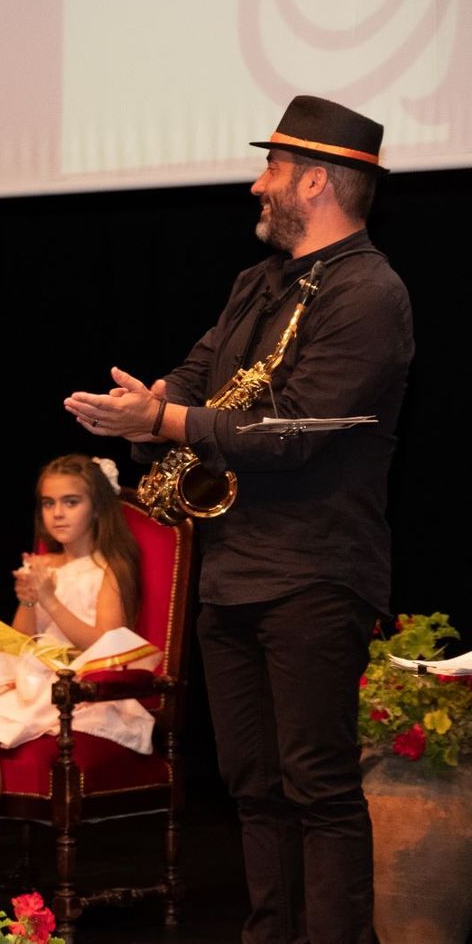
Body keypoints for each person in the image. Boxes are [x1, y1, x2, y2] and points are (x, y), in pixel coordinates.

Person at [64, 95, 414, 943]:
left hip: (316, 573)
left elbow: (296, 429)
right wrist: (148, 404)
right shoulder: (257, 283)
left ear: (317, 181)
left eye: (274, 168)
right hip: (231, 570)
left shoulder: (371, 293)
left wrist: (166, 420)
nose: (259, 184)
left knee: (318, 786)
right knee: (253, 784)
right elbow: (196, 376)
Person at [0, 454, 149, 899]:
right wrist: (29, 598)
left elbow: (107, 644)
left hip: (86, 689)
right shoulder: (45, 566)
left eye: (71, 502)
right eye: (48, 503)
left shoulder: (108, 568)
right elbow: (22, 642)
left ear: (96, 508)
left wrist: (51, 600)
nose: (57, 513)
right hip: (38, 677)